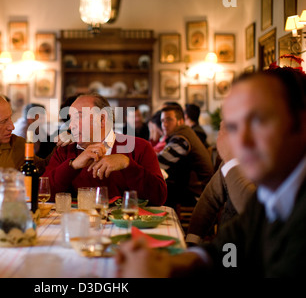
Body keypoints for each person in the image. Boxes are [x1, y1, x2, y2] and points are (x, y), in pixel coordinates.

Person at [115, 67, 306, 277]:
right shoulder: (271, 194)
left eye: (259, 120)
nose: (241, 142)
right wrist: (171, 262)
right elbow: (225, 250)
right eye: (233, 127)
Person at [42, 93, 167, 206]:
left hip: (126, 226)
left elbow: (158, 198)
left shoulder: (140, 147)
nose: (70, 125)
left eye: (78, 117)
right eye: (70, 118)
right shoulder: (65, 151)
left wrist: (127, 165)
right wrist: (73, 166)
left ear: (101, 119)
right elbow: (43, 194)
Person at [185, 121, 256, 245]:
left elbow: (251, 208)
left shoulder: (277, 163)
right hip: (228, 245)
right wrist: (192, 241)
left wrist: (230, 160)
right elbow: (208, 199)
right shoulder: (231, 162)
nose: (221, 135)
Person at [157, 105, 214, 208]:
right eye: (162, 121)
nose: (164, 124)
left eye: (169, 120)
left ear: (180, 121)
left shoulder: (181, 138)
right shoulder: (184, 133)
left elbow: (159, 163)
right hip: (196, 188)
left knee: (157, 190)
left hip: (198, 193)